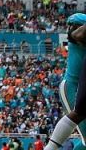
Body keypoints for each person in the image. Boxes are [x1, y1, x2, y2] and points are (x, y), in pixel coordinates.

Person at [46, 14, 86, 150]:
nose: (70, 29)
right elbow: (77, 35)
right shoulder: (77, 35)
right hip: (72, 86)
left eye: (72, 25)